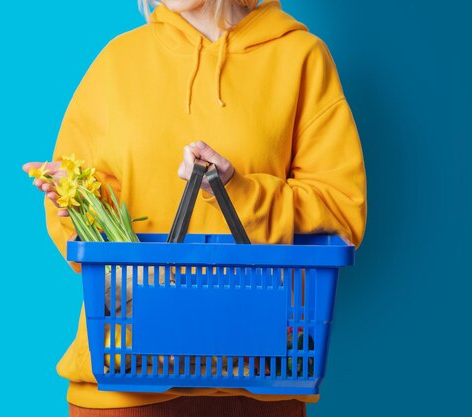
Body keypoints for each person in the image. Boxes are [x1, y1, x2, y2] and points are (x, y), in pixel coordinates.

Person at [23, 0, 367, 415]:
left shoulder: (300, 58)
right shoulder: (117, 62)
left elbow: (342, 212)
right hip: (126, 381)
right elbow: (83, 226)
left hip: (260, 379)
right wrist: (81, 207)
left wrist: (239, 192)